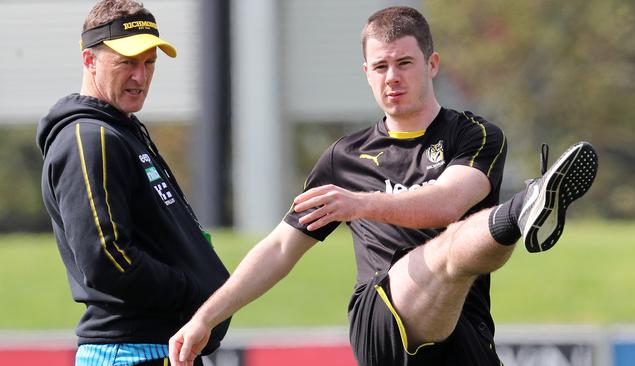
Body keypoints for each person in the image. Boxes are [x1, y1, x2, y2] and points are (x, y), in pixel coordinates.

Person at [169, 6, 598, 366]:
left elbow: (449, 202)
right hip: (382, 318)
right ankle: (525, 205)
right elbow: (280, 247)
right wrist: (205, 318)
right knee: (449, 251)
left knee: (463, 245)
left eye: (404, 63)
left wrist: (359, 204)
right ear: (367, 73)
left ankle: (522, 212)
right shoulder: (343, 158)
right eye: (380, 66)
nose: (391, 76)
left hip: (463, 329)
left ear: (432, 64)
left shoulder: (474, 135)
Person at [36, 1, 231, 365]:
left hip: (160, 349)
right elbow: (106, 258)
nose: (140, 77)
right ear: (89, 60)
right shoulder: (88, 137)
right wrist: (196, 293)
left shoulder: (119, 130)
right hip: (131, 353)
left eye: (149, 62)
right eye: (126, 62)